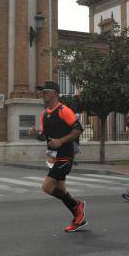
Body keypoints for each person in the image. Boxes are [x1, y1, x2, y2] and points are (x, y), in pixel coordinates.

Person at [28, 81, 87, 232]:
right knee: (62, 190)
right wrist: (36, 135)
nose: (43, 94)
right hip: (53, 158)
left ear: (54, 93)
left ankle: (77, 206)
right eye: (42, 92)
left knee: (47, 187)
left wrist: (61, 141)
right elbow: (45, 137)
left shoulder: (64, 110)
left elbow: (78, 129)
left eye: (45, 92)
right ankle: (79, 218)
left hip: (65, 156)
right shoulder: (44, 114)